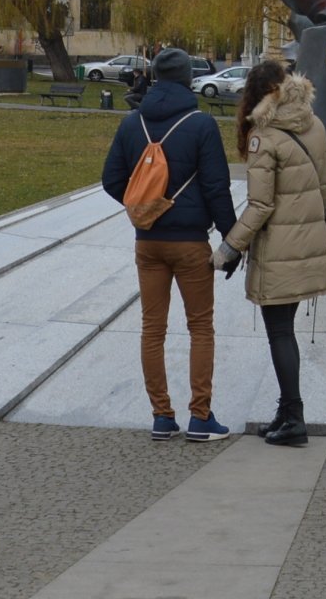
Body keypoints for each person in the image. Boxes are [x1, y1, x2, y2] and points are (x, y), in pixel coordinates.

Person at [99, 47, 238, 441]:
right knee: (201, 328)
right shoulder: (201, 124)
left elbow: (111, 179)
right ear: (187, 79)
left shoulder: (131, 123)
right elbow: (216, 188)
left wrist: (144, 206)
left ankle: (162, 416)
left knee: (151, 329)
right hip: (191, 243)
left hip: (148, 243)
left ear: (156, 77)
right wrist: (231, 241)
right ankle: (200, 416)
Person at [216, 53, 326, 448]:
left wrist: (230, 248)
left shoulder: (263, 136)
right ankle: (286, 412)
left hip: (279, 248)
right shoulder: (313, 123)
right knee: (285, 329)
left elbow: (261, 205)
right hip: (306, 243)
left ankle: (294, 417)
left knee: (280, 332)